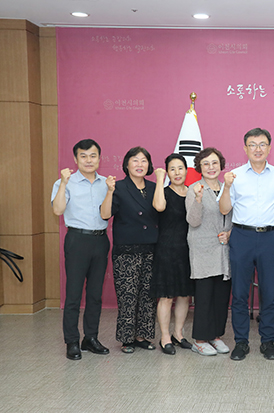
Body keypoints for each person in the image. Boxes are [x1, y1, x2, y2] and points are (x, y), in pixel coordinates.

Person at [218, 128, 274, 361]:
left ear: (269, 147)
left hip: (270, 238)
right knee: (239, 293)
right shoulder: (235, 176)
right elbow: (224, 209)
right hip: (242, 237)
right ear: (245, 148)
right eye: (252, 144)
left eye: (262, 144)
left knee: (269, 293)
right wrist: (227, 186)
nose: (257, 149)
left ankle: (267, 342)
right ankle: (241, 342)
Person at [51, 139, 110, 360]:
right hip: (77, 239)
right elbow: (57, 210)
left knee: (95, 294)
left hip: (100, 240)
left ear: (99, 158)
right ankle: (72, 341)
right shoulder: (64, 182)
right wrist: (64, 183)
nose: (88, 160)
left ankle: (91, 338)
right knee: (74, 294)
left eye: (93, 155)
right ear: (76, 159)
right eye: (83, 156)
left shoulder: (107, 183)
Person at [100, 146, 158, 353]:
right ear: (126, 164)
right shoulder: (119, 187)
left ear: (149, 165)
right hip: (127, 251)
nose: (139, 164)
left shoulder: (153, 188)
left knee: (147, 296)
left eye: (144, 160)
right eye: (135, 160)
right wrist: (109, 191)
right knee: (128, 296)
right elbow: (105, 214)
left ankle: (141, 336)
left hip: (151, 249)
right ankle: (127, 338)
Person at [186, 147, 233, 356]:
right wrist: (197, 200)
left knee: (221, 296)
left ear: (221, 165)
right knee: (204, 296)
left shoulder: (227, 187)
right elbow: (193, 221)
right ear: (200, 168)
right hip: (203, 249)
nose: (211, 167)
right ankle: (200, 339)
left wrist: (229, 233)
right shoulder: (194, 189)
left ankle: (215, 336)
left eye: (214, 163)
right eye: (206, 164)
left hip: (224, 251)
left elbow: (234, 216)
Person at [151, 154, 193, 355]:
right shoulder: (163, 192)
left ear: (187, 170)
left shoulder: (193, 192)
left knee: (185, 295)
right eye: (172, 169)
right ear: (167, 172)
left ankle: (178, 333)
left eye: (180, 168)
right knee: (167, 297)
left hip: (188, 250)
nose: (177, 173)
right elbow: (159, 207)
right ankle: (165, 336)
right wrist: (160, 181)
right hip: (166, 249)